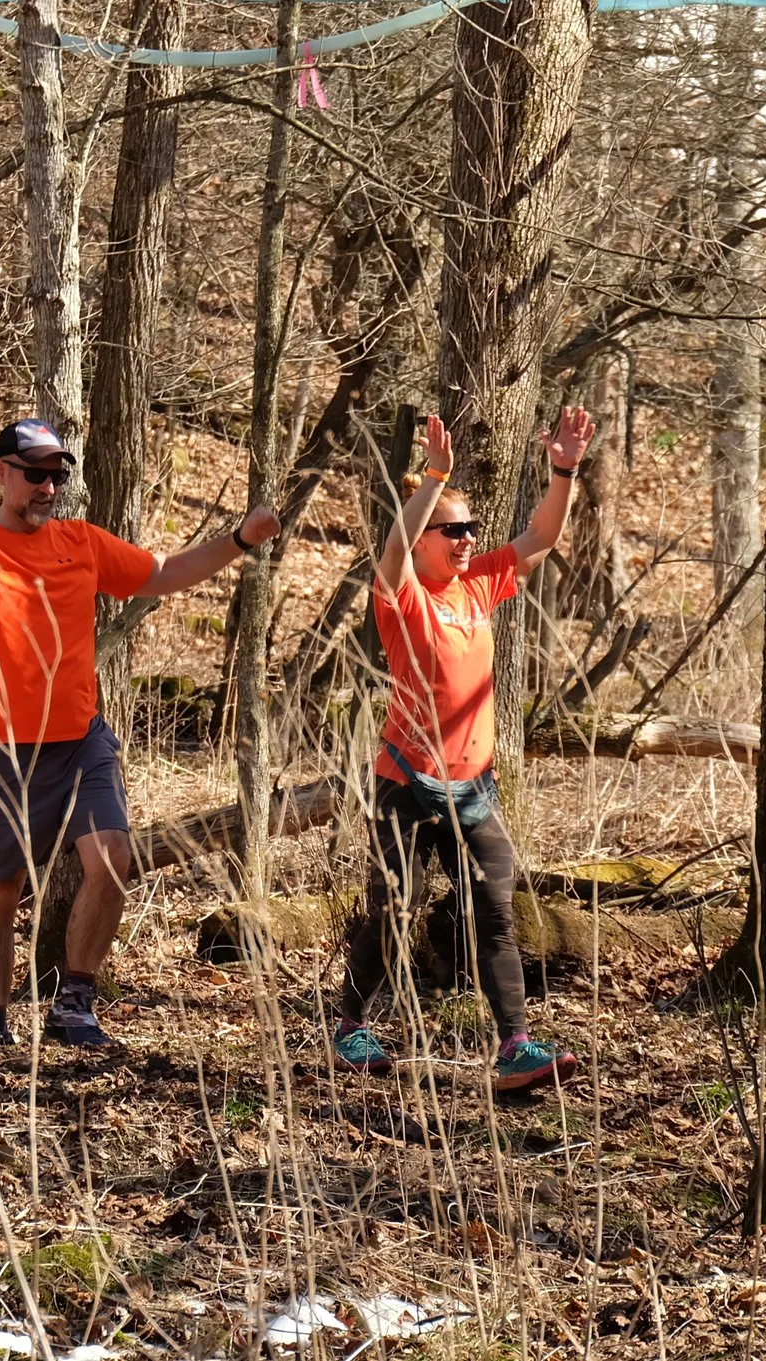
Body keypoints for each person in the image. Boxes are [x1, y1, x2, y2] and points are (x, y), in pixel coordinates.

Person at [0, 418, 281, 1051]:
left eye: (58, 475)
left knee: (113, 859)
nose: (49, 487)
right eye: (35, 474)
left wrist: (240, 540)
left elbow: (163, 572)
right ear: (0, 473)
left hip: (80, 741)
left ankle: (75, 1003)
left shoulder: (81, 542)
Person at [333, 408, 597, 1091]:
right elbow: (392, 547)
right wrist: (433, 479)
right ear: (426, 539)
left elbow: (541, 534)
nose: (466, 538)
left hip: (475, 787)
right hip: (405, 780)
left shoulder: (480, 582)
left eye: (470, 528)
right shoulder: (402, 596)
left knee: (497, 909)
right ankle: (348, 1026)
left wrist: (563, 469)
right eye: (452, 529)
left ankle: (515, 1046)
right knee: (397, 904)